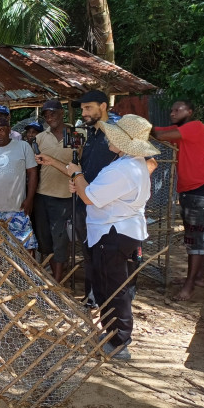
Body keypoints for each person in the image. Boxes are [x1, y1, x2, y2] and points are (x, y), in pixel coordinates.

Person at [65, 115, 159, 360]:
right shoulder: (132, 163)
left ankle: (118, 340)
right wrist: (81, 181)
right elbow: (94, 192)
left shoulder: (123, 169)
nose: (109, 138)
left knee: (113, 288)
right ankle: (111, 332)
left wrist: (77, 174)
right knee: (109, 284)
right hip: (118, 230)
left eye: (114, 136)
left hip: (113, 232)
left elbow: (89, 197)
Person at [36, 91, 123, 307]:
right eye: (82, 109)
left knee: (109, 256)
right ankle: (93, 298)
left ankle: (114, 305)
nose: (84, 113)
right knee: (89, 252)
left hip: (109, 208)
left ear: (104, 106)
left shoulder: (115, 132)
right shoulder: (90, 134)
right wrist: (53, 162)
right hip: (85, 203)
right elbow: (77, 170)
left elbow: (145, 164)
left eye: (88, 108)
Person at [151, 100, 204, 301]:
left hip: (199, 190)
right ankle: (197, 277)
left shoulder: (194, 127)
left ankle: (189, 286)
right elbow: (156, 130)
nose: (172, 113)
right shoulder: (180, 130)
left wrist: (142, 129)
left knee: (194, 237)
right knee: (199, 235)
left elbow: (160, 135)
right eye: (171, 110)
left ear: (190, 111)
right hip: (192, 190)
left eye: (177, 110)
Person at [0, 115, 38, 255]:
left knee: (26, 246)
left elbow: (33, 173)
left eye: (2, 130)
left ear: (9, 130)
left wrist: (30, 199)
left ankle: (26, 276)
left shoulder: (23, 146)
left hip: (18, 208)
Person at [33, 100, 74, 282]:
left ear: (62, 112)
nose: (50, 118)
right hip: (43, 195)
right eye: (46, 115)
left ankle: (57, 282)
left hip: (65, 196)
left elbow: (81, 161)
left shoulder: (75, 134)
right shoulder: (41, 138)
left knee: (61, 240)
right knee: (45, 238)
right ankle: (49, 277)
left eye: (53, 113)